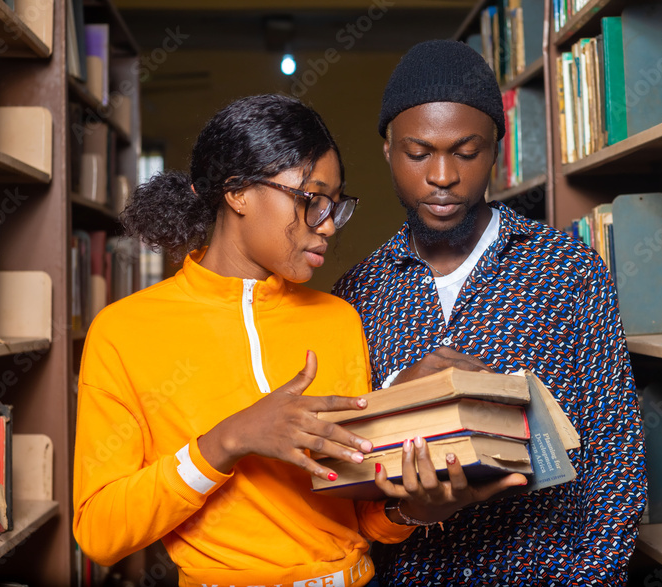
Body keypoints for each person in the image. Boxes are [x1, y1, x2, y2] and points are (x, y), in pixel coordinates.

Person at [71, 94, 526, 587]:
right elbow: (99, 533)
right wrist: (227, 441)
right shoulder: (124, 331)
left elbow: (357, 520)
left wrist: (414, 509)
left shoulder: (338, 319)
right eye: (312, 200)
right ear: (238, 192)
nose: (327, 226)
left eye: (334, 205)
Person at [333, 40, 647, 585]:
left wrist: (588, 577)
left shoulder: (568, 271)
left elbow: (616, 455)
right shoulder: (357, 293)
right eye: (418, 153)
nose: (442, 175)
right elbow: (341, 473)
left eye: (465, 150)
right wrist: (392, 400)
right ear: (388, 152)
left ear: (496, 150)